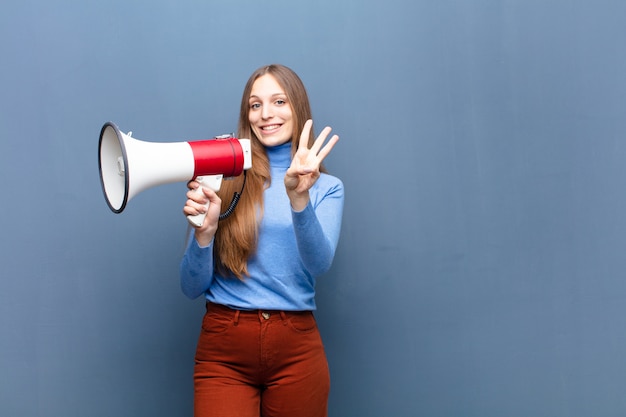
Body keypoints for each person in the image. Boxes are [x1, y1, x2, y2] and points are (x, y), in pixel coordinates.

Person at [179, 64, 344, 417]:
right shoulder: (220, 178)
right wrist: (203, 235)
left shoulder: (327, 188)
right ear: (246, 115)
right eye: (255, 105)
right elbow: (190, 287)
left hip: (296, 350)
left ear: (297, 107)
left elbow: (319, 264)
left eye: (279, 101)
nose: (266, 114)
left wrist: (299, 200)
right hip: (224, 350)